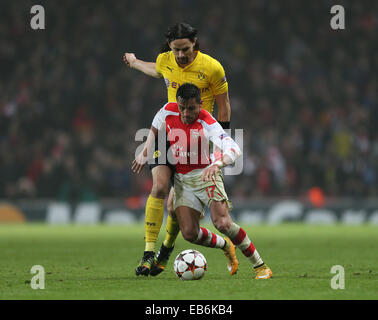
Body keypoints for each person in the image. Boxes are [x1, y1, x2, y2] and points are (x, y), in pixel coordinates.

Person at [132, 83, 273, 279]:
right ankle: (225, 245)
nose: (185, 113)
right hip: (183, 180)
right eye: (182, 107)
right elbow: (154, 128)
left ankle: (260, 266)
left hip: (207, 174)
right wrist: (144, 153)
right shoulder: (167, 111)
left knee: (222, 223)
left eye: (191, 108)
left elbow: (234, 149)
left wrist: (217, 164)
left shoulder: (208, 122)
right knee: (189, 233)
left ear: (200, 105)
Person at [124, 22, 232, 276]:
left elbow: (224, 106)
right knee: (160, 187)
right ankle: (148, 254)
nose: (180, 55)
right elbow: (158, 69)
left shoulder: (212, 68)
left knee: (173, 206)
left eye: (184, 49)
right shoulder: (166, 60)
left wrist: (220, 144)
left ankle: (167, 248)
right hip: (169, 132)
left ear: (194, 42)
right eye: (176, 50)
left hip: (197, 139)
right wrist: (136, 62)